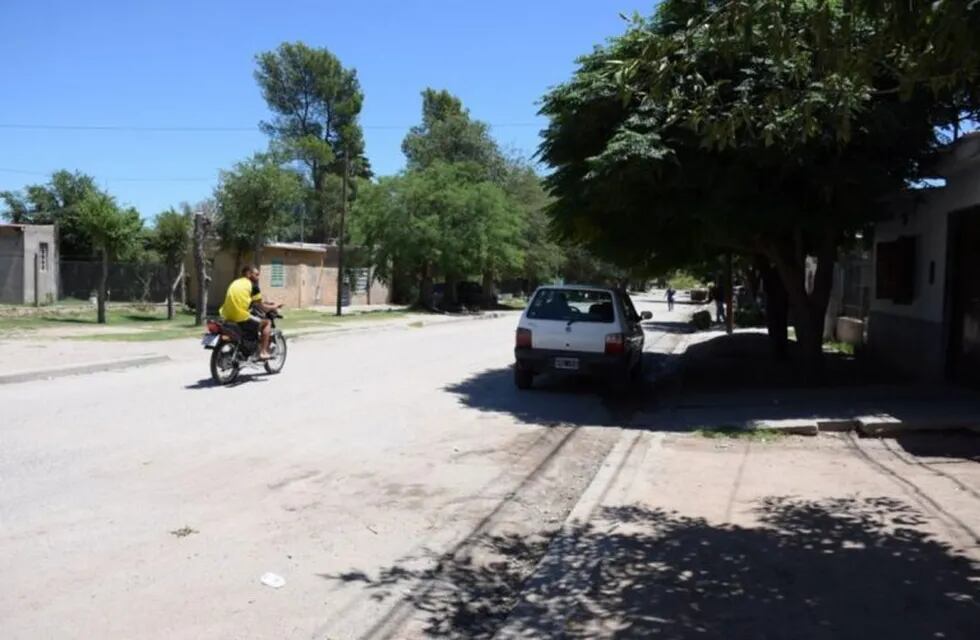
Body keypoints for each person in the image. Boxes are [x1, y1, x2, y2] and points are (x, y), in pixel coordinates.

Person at [219, 265, 282, 360]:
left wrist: (264, 303)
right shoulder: (253, 286)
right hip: (240, 315)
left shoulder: (236, 282)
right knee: (266, 323)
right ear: (249, 274)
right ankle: (263, 352)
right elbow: (262, 307)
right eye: (256, 274)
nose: (258, 277)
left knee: (249, 327)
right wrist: (274, 306)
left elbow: (249, 300)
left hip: (226, 314)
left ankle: (244, 350)